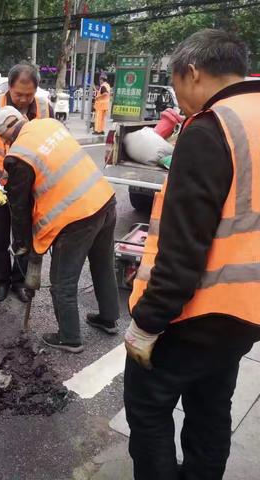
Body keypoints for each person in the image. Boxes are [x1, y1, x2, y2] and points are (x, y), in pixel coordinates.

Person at [124, 29, 260, 479]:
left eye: (175, 80)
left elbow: (183, 251)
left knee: (148, 408)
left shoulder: (212, 127)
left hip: (200, 311)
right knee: (210, 405)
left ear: (193, 71)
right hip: (248, 311)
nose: (177, 95)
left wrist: (147, 323)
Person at [0, 106, 120, 353]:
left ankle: (69, 337)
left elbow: (19, 208)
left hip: (77, 217)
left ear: (5, 137)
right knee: (103, 263)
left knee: (63, 280)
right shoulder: (49, 124)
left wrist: (23, 245)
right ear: (22, 119)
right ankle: (108, 318)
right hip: (104, 200)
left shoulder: (18, 156)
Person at [0, 63, 53, 304]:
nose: (23, 100)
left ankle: (18, 280)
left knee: (23, 234)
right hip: (0, 183)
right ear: (9, 87)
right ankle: (1, 281)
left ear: (36, 90)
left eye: (28, 95)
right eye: (19, 94)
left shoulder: (44, 108)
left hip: (30, 185)